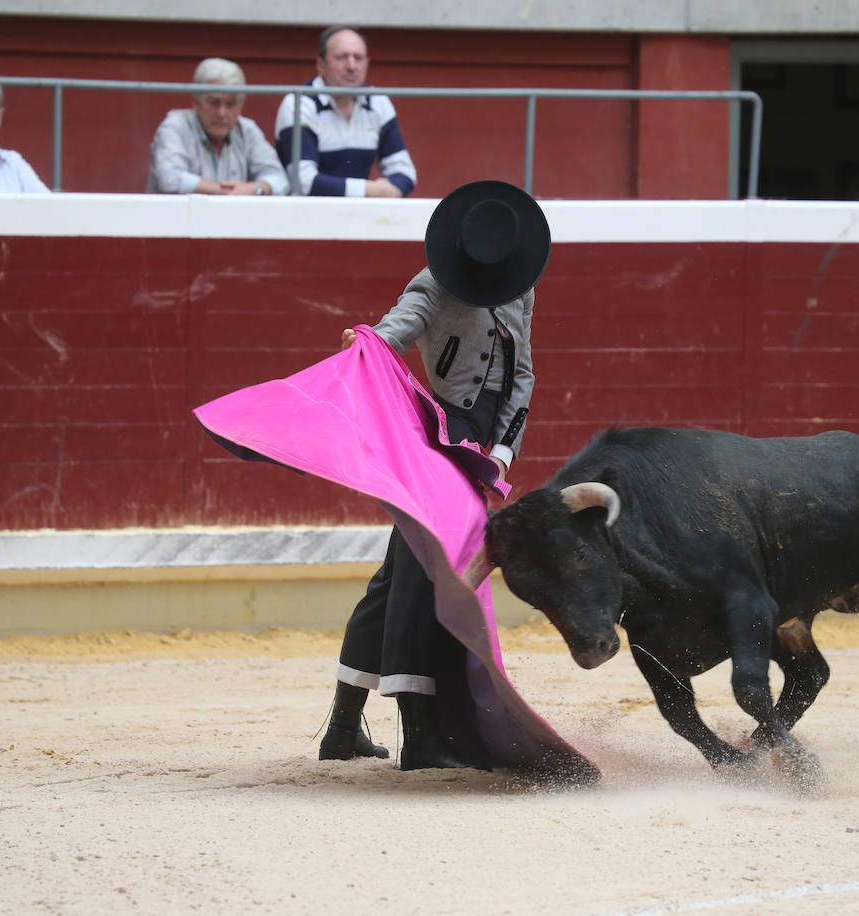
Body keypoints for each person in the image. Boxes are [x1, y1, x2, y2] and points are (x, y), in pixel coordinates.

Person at [320, 180, 549, 769]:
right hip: (438, 442)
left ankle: (344, 727)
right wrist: (364, 344)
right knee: (425, 577)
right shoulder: (433, 285)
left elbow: (522, 376)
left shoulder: (521, 289)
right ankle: (419, 734)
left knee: (402, 575)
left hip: (480, 448)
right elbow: (395, 328)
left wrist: (503, 452)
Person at [274, 26, 417, 197]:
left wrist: (390, 190)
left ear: (367, 64)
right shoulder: (299, 103)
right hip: (306, 216)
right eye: (341, 58)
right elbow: (304, 182)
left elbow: (406, 172)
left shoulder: (377, 100)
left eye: (358, 58)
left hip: (358, 215)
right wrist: (370, 190)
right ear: (321, 65)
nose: (351, 66)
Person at [147, 58, 289, 196]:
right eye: (214, 102)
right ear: (196, 102)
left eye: (231, 104)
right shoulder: (176, 126)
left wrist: (255, 188)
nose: (222, 113)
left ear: (241, 106)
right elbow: (169, 179)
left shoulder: (247, 130)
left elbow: (280, 180)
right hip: (179, 218)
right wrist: (224, 191)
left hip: (233, 219)